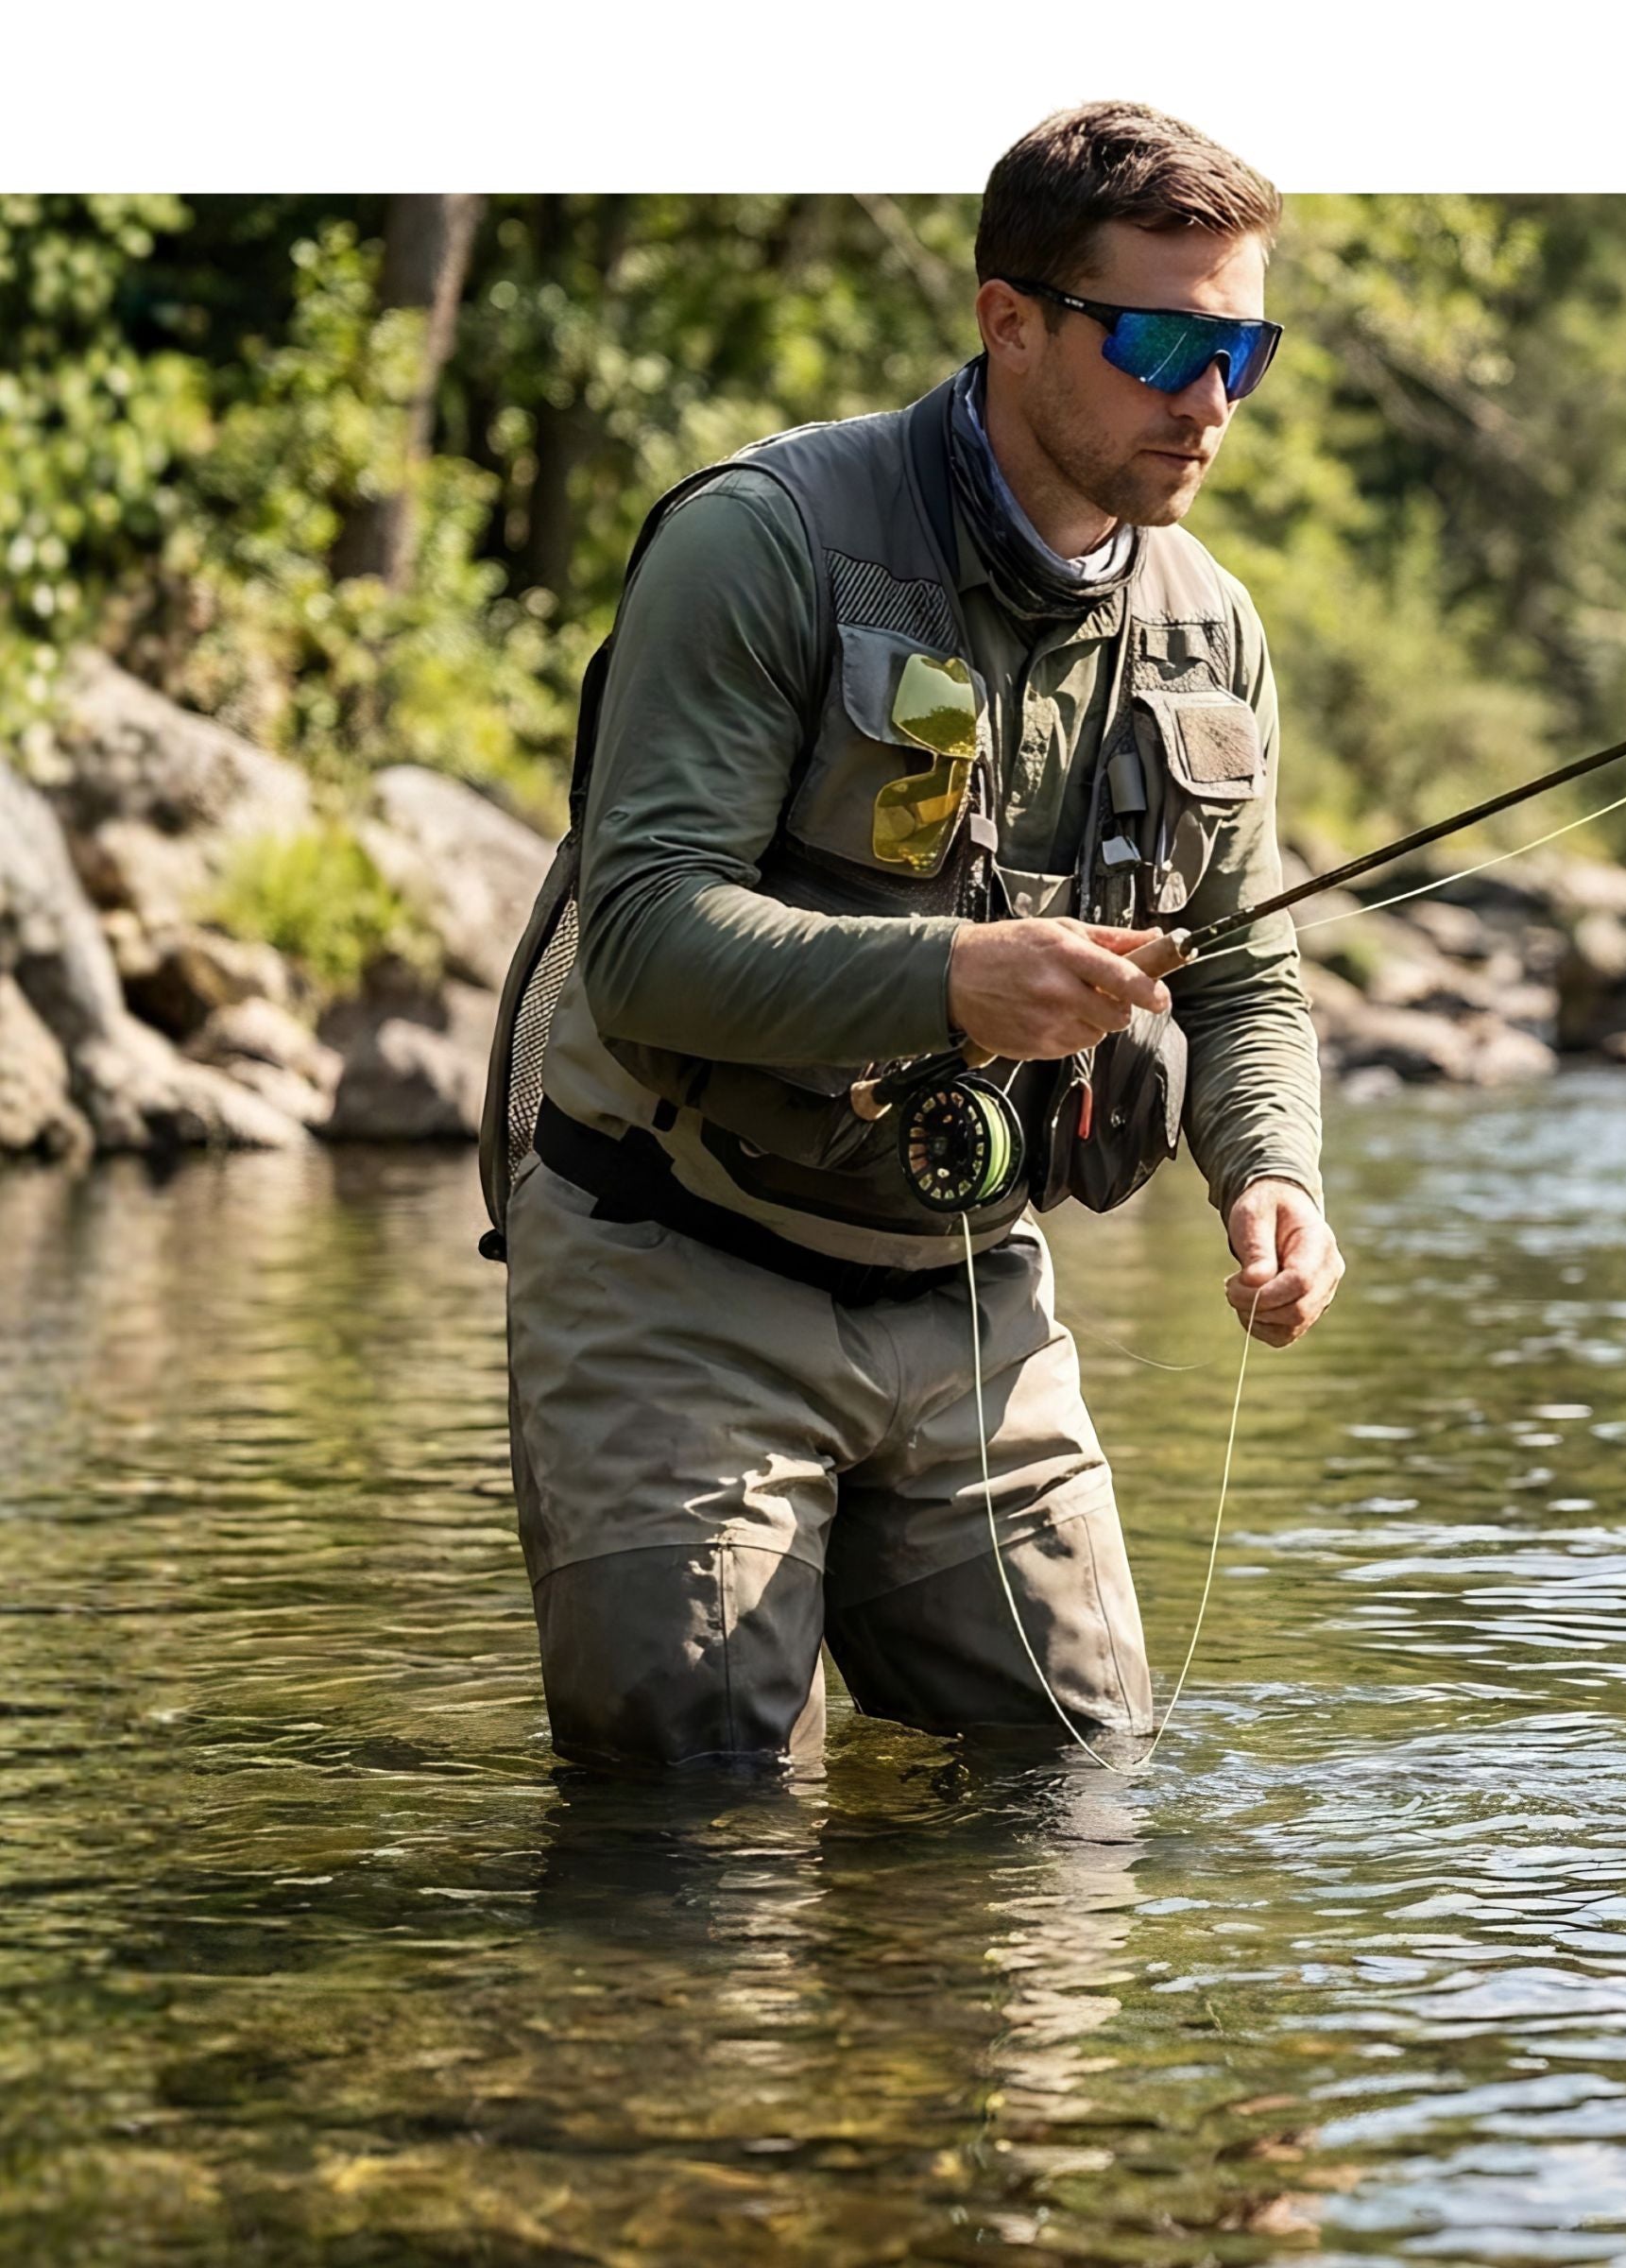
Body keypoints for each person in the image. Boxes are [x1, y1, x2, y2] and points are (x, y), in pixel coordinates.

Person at [500, 101, 1344, 1770]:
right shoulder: (768, 541)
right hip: (682, 1255)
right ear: (1009, 320)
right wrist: (953, 980)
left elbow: (1247, 974)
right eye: (1162, 337)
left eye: (1243, 349)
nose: (1205, 400)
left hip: (972, 1289)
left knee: (1079, 1792)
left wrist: (1274, 1180)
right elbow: (646, 940)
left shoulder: (1210, 625)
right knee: (691, 1821)